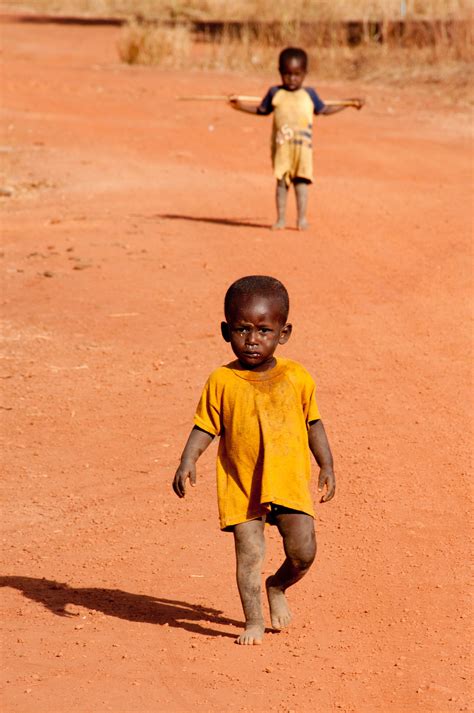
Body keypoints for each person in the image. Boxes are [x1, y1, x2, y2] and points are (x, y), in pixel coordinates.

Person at [172, 275, 336, 645]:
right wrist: (188, 460)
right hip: (242, 484)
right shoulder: (221, 381)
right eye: (242, 329)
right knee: (249, 555)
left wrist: (327, 464)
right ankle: (254, 621)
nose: (252, 339)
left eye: (264, 330)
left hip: (288, 480)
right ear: (225, 330)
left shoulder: (297, 378)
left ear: (284, 332)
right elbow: (205, 427)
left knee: (303, 552)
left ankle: (277, 586)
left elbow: (314, 423)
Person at [229, 47, 364, 231]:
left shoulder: (309, 95)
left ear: (305, 74)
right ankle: (281, 219)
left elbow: (324, 110)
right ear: (280, 72)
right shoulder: (275, 93)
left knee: (301, 184)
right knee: (281, 184)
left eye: (297, 74)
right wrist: (239, 106)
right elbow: (261, 110)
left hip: (303, 150)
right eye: (287, 74)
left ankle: (302, 219)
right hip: (282, 149)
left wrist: (348, 103)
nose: (292, 79)